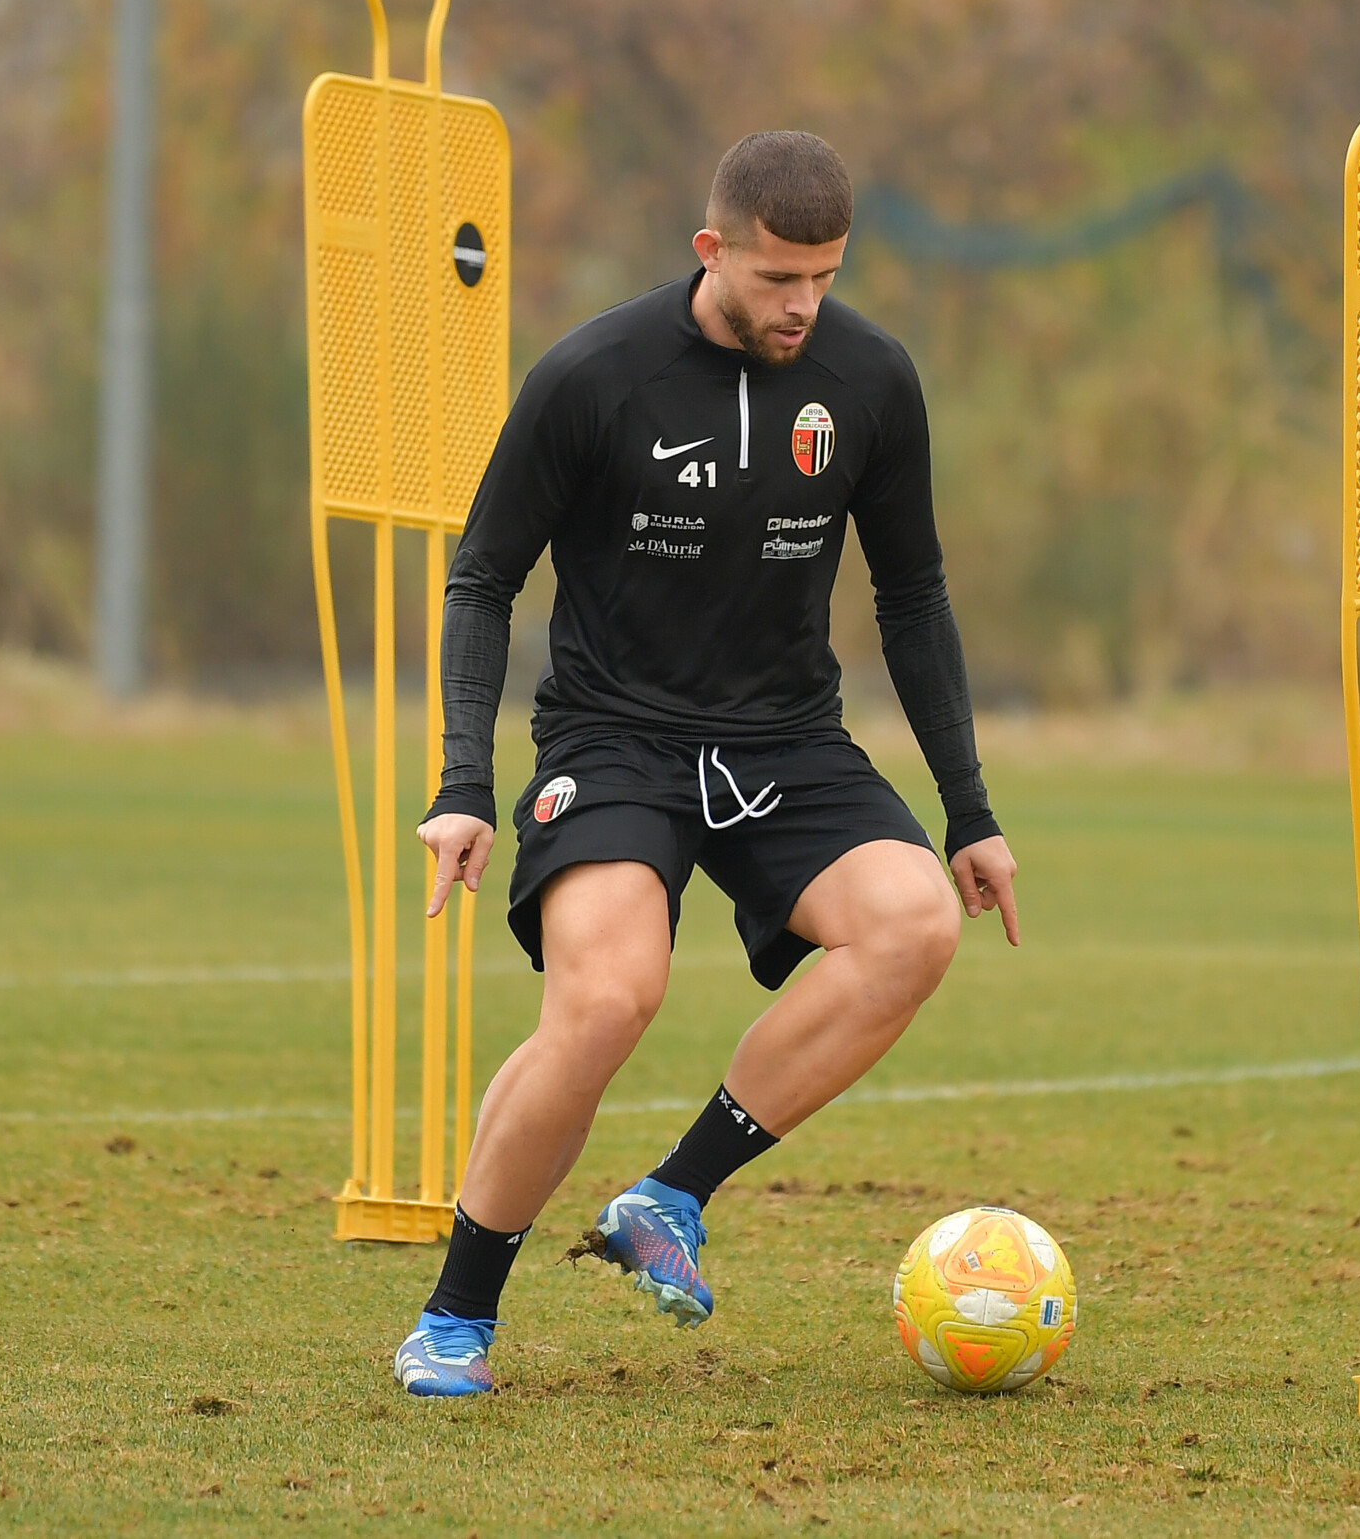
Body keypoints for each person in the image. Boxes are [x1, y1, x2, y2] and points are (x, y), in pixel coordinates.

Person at [393, 131, 1018, 1398]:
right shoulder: (593, 376)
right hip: (613, 737)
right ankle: (457, 1316)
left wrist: (970, 812)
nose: (803, 306)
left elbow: (915, 596)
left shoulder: (872, 382)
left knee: (911, 927)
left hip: (786, 740)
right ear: (711, 250)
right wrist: (462, 785)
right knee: (610, 998)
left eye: (825, 279)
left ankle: (669, 1198)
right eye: (779, 277)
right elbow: (481, 579)